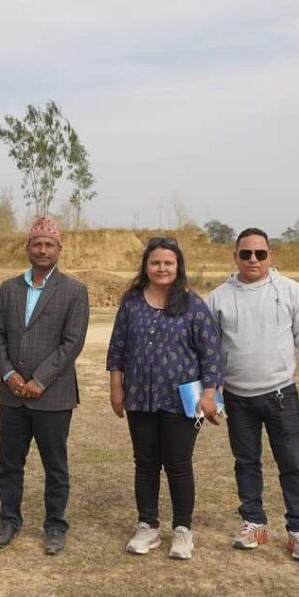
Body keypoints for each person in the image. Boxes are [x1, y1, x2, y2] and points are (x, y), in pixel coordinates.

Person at [206, 227, 299, 562]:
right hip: (238, 398)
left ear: (270, 255)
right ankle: (254, 523)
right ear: (235, 257)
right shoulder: (218, 297)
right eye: (246, 254)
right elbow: (209, 351)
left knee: (292, 463)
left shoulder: (290, 291)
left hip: (280, 395)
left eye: (260, 253)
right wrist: (212, 394)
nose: (253, 260)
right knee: (246, 462)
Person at [106, 238, 222, 560]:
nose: (162, 268)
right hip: (139, 397)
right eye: (156, 262)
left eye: (168, 263)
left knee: (178, 464)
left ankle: (183, 530)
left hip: (183, 401)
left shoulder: (192, 304)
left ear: (178, 266)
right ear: (146, 266)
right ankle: (148, 526)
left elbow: (211, 353)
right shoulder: (131, 303)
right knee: (145, 463)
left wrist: (210, 394)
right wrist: (116, 387)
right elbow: (117, 348)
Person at [0, 217, 89, 555]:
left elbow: (72, 343)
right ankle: (9, 520)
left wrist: (40, 379)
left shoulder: (74, 291)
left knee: (55, 466)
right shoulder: (9, 288)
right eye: (37, 244)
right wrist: (8, 374)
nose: (42, 250)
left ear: (59, 249)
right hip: (12, 395)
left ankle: (55, 526)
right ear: (27, 248)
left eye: (49, 245)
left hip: (53, 396)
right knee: (10, 464)